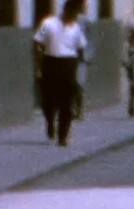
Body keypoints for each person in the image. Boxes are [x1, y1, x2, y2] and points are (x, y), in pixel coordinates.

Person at [34, 0, 90, 147]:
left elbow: (81, 46)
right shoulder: (48, 23)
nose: (74, 17)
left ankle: (63, 136)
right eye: (73, 13)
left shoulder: (76, 28)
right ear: (66, 11)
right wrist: (39, 67)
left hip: (68, 63)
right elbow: (38, 43)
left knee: (66, 102)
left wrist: (82, 60)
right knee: (49, 99)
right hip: (50, 62)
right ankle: (50, 121)